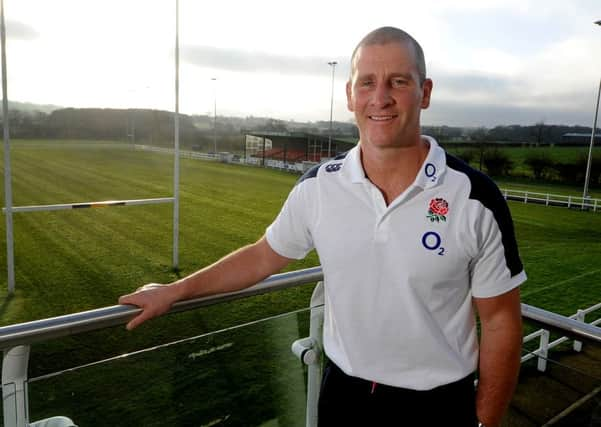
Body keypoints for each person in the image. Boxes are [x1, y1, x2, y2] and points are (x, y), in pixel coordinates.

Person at [119, 26, 526, 427]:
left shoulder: (475, 197)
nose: (380, 97)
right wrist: (177, 290)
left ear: (425, 92)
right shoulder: (319, 186)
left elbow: (500, 321)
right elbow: (263, 255)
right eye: (366, 82)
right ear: (350, 95)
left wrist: (485, 422)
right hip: (343, 396)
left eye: (397, 81)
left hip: (437, 406)